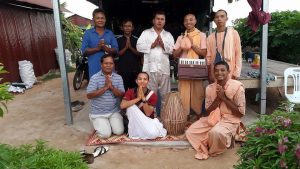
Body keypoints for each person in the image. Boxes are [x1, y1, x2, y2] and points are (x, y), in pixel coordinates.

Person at [186, 61, 245, 160]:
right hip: (213, 119)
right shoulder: (210, 88)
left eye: (222, 70)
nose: (219, 73)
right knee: (190, 132)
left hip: (229, 120)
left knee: (215, 133)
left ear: (228, 72)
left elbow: (240, 113)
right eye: (216, 70)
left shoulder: (238, 87)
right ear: (213, 72)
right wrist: (218, 98)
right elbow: (208, 111)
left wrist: (225, 98)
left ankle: (214, 150)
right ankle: (210, 142)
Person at [136, 11, 174, 115]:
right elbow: (138, 46)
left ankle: (165, 117)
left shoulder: (168, 35)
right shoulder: (146, 33)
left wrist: (163, 45)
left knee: (166, 95)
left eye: (162, 19)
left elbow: (172, 50)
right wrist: (151, 45)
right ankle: (152, 117)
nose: (160, 21)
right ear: (153, 20)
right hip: (149, 69)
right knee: (150, 95)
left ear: (165, 21)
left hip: (164, 69)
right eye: (158, 19)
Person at [173, 13, 207, 116]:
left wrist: (192, 44)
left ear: (195, 21)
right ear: (184, 23)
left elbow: (204, 53)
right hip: (184, 67)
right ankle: (184, 115)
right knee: (183, 92)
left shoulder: (201, 35)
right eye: (186, 20)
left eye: (191, 19)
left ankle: (198, 114)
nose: (188, 22)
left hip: (196, 67)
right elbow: (174, 54)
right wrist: (182, 47)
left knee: (198, 92)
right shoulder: (181, 36)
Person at [87, 54, 125, 138]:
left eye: (111, 63)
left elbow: (122, 94)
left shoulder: (118, 78)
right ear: (101, 64)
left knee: (119, 132)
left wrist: (111, 87)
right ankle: (96, 121)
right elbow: (89, 95)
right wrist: (105, 87)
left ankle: (107, 123)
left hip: (114, 111)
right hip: (98, 113)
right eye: (106, 63)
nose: (108, 65)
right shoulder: (95, 78)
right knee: (105, 134)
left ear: (114, 65)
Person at [120, 72, 167, 139]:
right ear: (136, 81)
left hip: (147, 121)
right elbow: (122, 105)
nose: (142, 81)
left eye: (145, 79)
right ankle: (136, 131)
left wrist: (144, 99)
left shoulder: (152, 95)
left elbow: (148, 113)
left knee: (152, 134)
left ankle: (140, 131)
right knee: (131, 107)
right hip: (134, 121)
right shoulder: (130, 91)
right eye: (140, 79)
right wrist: (138, 98)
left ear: (148, 81)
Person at [81, 8, 119, 79]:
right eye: (98, 18)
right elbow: (84, 52)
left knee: (110, 89)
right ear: (93, 20)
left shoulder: (110, 33)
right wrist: (97, 48)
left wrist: (106, 48)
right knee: (96, 90)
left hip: (110, 72)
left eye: (102, 18)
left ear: (105, 19)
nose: (100, 20)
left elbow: (116, 51)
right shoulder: (88, 33)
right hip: (94, 72)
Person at [206, 9, 242, 83]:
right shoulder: (210, 37)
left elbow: (238, 54)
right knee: (216, 92)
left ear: (226, 18)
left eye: (222, 16)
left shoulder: (233, 33)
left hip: (230, 69)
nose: (219, 19)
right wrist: (209, 73)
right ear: (214, 20)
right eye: (217, 17)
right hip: (215, 71)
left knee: (229, 92)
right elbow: (208, 57)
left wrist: (237, 72)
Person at [116, 18, 142, 91]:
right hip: (122, 70)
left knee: (135, 91)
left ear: (132, 28)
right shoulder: (118, 40)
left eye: (129, 26)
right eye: (125, 26)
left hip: (135, 70)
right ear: (122, 28)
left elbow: (141, 54)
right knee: (123, 92)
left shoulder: (137, 40)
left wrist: (130, 48)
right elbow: (115, 54)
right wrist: (125, 48)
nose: (127, 28)